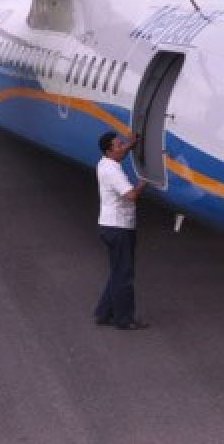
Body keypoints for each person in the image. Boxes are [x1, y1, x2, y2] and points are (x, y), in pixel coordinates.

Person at [94, 130, 149, 330]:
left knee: (118, 272)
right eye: (119, 145)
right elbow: (131, 195)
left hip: (111, 226)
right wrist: (145, 181)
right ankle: (124, 319)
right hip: (119, 228)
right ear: (109, 151)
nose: (123, 147)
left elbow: (121, 152)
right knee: (124, 275)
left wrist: (131, 144)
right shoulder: (112, 171)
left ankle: (103, 313)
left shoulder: (105, 162)